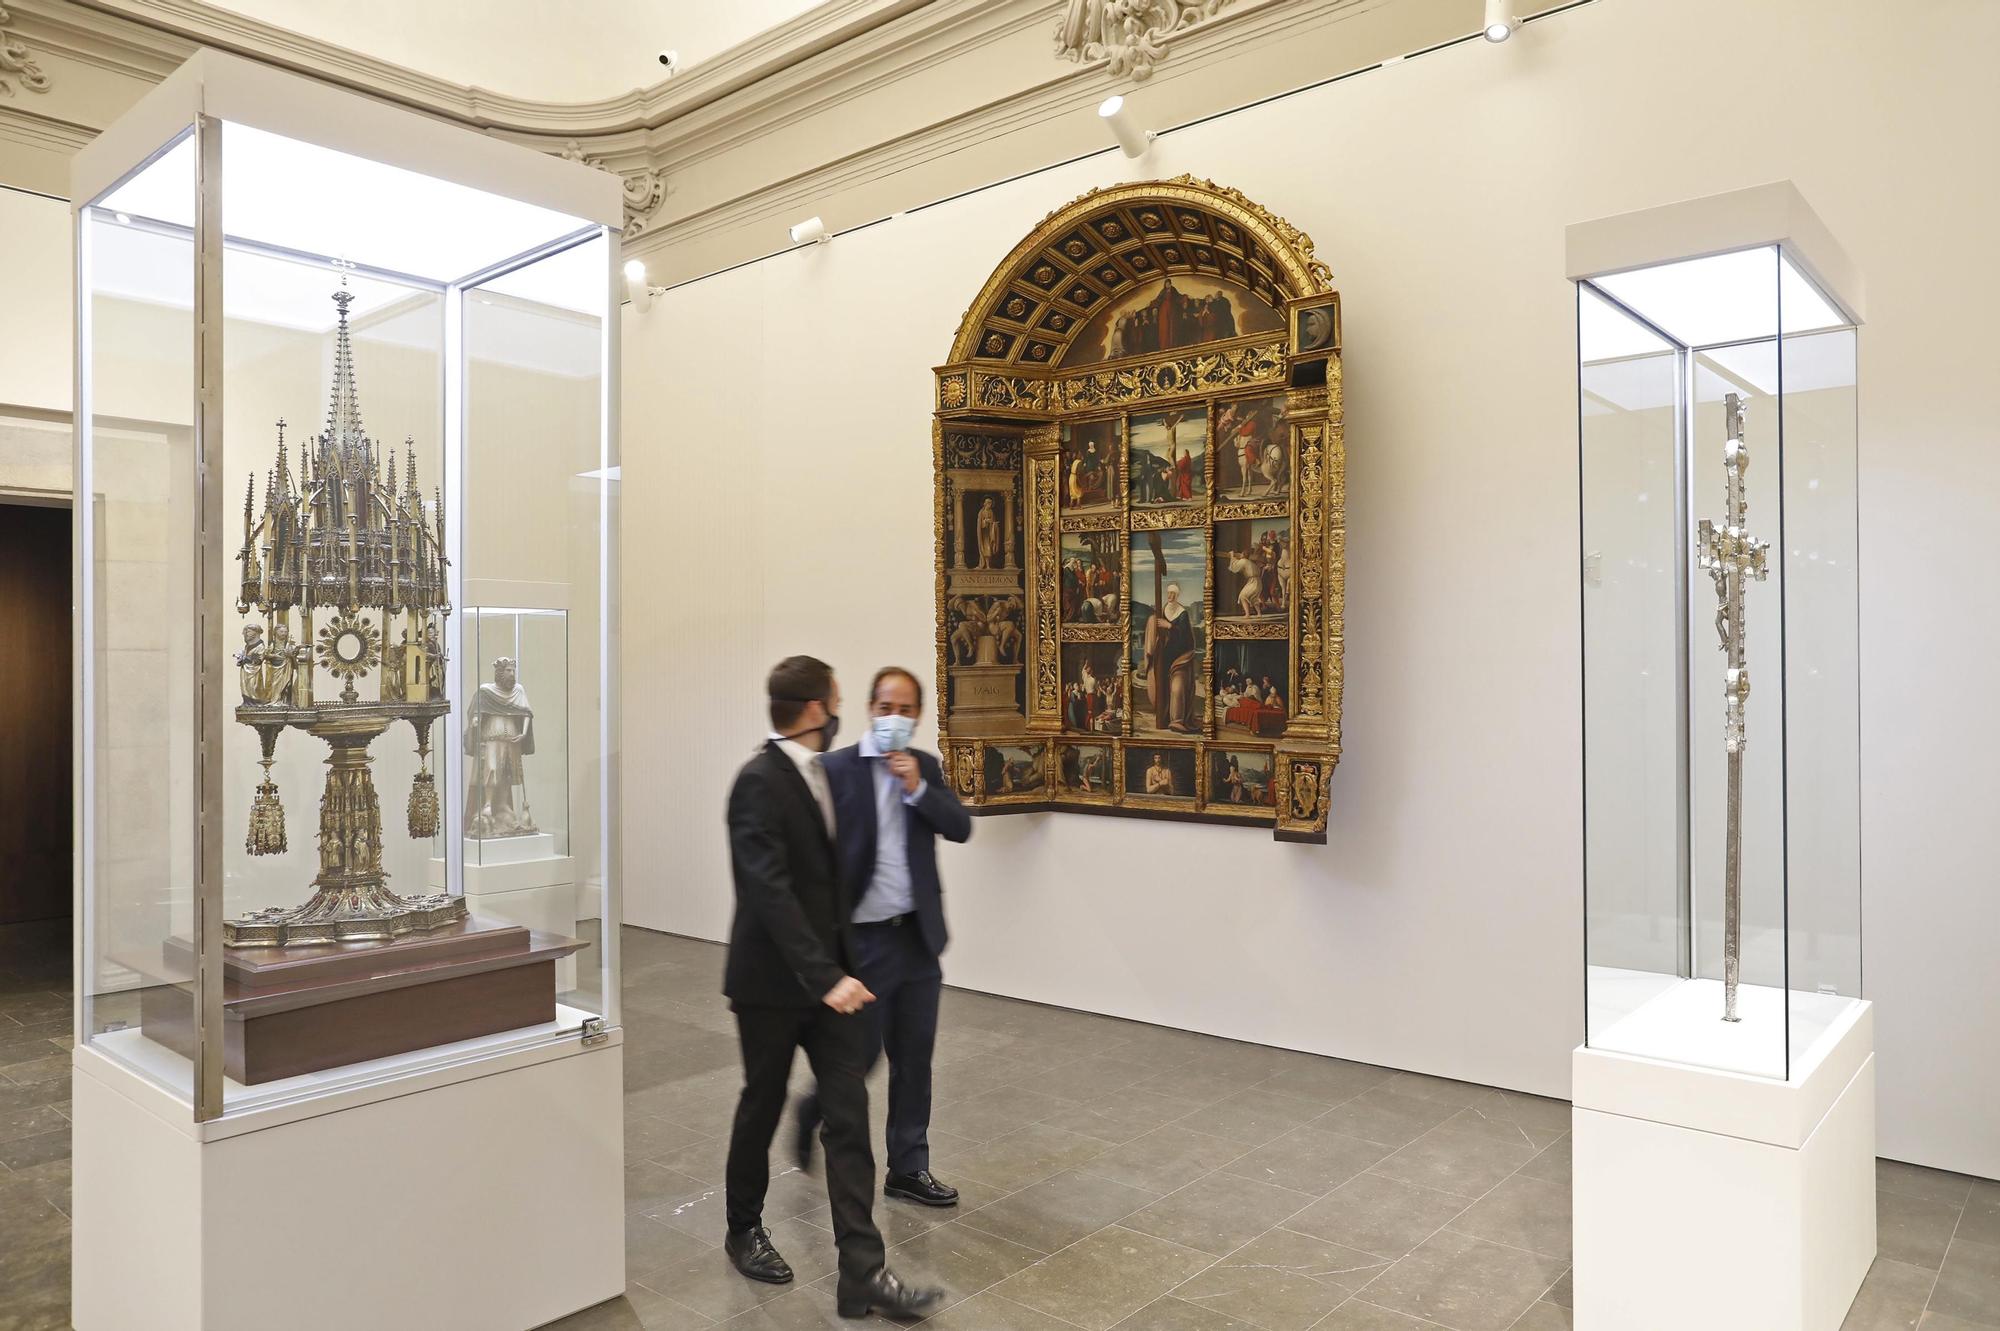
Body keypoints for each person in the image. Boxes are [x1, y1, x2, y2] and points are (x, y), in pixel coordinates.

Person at [722, 656, 942, 1320]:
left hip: (833, 986)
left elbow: (835, 883)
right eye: (840, 699)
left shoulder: (822, 774)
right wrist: (826, 975)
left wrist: (847, 970)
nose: (845, 708)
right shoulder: (758, 781)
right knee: (761, 1103)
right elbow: (770, 892)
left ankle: (863, 1274)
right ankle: (743, 1226)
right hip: (771, 985)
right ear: (817, 707)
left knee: (847, 1120)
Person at [795, 666, 973, 1211]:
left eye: (906, 709)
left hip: (916, 938)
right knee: (861, 1056)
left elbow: (960, 827)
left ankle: (908, 1168)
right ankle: (816, 1111)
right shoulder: (835, 769)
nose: (895, 718)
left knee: (914, 1058)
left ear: (918, 716)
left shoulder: (925, 768)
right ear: (871, 709)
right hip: (863, 942)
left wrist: (918, 790)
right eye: (886, 707)